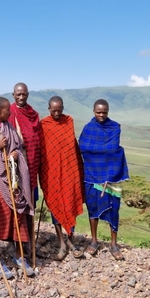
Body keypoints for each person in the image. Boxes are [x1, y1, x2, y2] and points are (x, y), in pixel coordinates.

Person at [0, 97, 34, 278]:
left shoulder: (9, 127)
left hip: (14, 180)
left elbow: (19, 146)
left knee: (19, 217)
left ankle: (19, 256)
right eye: (7, 110)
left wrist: (16, 154)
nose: (10, 112)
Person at [79, 99, 129, 260]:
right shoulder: (88, 129)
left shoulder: (114, 127)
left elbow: (114, 151)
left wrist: (108, 176)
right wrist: (100, 152)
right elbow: (83, 148)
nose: (101, 115)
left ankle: (114, 244)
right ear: (93, 111)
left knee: (114, 209)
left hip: (111, 175)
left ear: (108, 111)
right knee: (93, 209)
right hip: (92, 174)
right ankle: (94, 241)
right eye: (98, 112)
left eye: (104, 112)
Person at [39, 96, 85, 260]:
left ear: (63, 108)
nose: (57, 113)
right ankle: (62, 243)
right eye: (54, 110)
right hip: (51, 172)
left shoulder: (69, 121)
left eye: (60, 109)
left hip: (68, 172)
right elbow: (44, 149)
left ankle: (71, 240)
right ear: (49, 108)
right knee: (55, 203)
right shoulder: (44, 125)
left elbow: (71, 147)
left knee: (70, 202)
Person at [9, 82, 42, 255]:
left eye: (24, 94)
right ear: (13, 94)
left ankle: (29, 241)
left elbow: (37, 140)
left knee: (31, 204)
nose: (21, 97)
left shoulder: (33, 114)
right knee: (17, 204)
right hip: (15, 168)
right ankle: (17, 243)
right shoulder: (9, 113)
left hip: (32, 167)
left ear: (28, 94)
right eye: (18, 94)